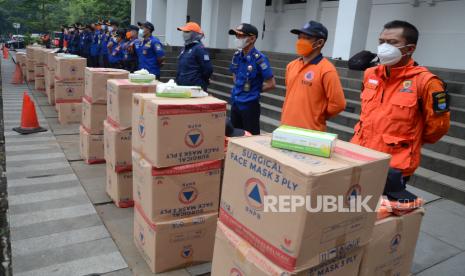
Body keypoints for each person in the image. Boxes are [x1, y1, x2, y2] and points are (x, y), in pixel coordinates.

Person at [351, 20, 450, 199]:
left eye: (392, 42)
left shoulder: (426, 82)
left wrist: (410, 141)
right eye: (381, 41)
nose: (383, 47)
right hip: (359, 155)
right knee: (352, 212)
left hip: (394, 165)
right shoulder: (370, 74)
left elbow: (438, 127)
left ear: (409, 48)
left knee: (381, 218)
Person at [281, 21, 346, 131]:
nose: (300, 41)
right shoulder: (291, 65)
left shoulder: (327, 70)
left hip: (311, 132)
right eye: (299, 37)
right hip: (285, 127)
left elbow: (338, 104)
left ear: (319, 42)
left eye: (306, 38)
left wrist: (318, 114)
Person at [228, 23, 276, 135]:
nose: (237, 39)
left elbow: (271, 84)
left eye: (240, 36)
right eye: (236, 36)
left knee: (250, 138)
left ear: (252, 38)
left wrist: (254, 90)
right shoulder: (237, 56)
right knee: (234, 135)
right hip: (236, 103)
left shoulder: (260, 59)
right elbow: (235, 77)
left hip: (249, 106)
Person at [175, 22, 212, 91]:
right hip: (182, 87)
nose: (184, 34)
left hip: (195, 88)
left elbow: (208, 69)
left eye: (187, 32)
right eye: (183, 31)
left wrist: (200, 81)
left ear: (194, 34)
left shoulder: (199, 49)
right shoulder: (185, 48)